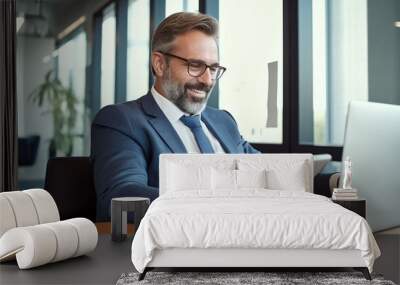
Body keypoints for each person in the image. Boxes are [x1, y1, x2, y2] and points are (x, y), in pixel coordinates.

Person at [91, 12, 260, 221]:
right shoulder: (122, 121)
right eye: (195, 66)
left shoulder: (224, 121)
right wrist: (214, 204)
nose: (207, 80)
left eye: (214, 68)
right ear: (160, 64)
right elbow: (122, 197)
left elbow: (267, 171)